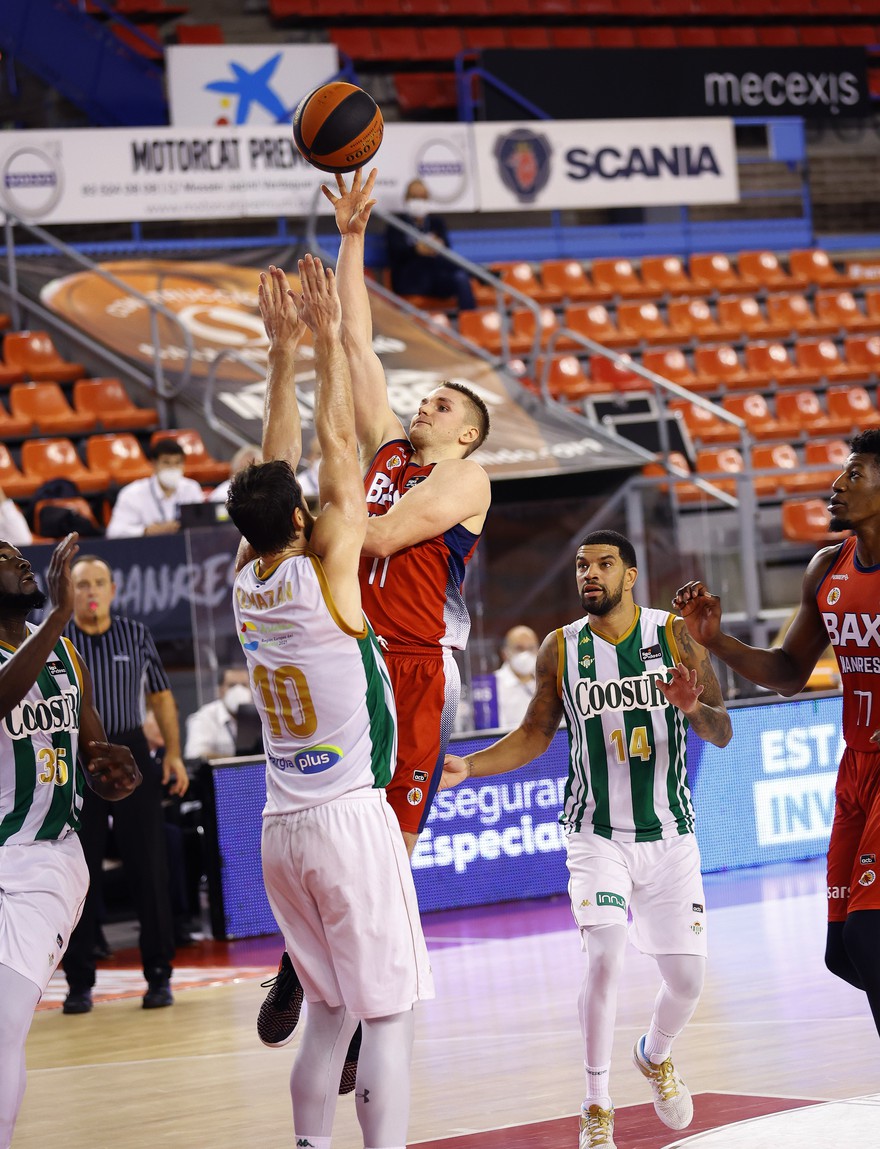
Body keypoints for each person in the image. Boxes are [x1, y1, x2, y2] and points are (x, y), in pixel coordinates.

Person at [256, 166, 491, 1054]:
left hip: (414, 663)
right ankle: (304, 966)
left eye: (442, 403)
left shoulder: (467, 478)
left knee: (391, 840)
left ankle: (361, 1007)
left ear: (465, 431)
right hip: (348, 650)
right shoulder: (392, 448)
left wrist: (326, 523)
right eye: (423, 397)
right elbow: (357, 342)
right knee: (324, 821)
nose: (424, 402)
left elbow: (381, 540)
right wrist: (354, 236)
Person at [226, 255, 433, 1149]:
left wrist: (279, 354)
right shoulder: (328, 575)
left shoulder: (244, 577)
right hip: (350, 817)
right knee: (385, 1018)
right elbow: (338, 448)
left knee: (327, 1013)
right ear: (304, 523)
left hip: (280, 826)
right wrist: (321, 347)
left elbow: (278, 465)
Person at [442, 531, 732, 1149]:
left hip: (671, 834)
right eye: (581, 565)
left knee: (687, 982)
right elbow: (534, 733)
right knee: (604, 956)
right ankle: (596, 1103)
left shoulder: (673, 634)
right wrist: (472, 765)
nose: (590, 574)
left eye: (604, 565)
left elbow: (723, 729)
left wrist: (690, 708)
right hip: (594, 831)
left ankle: (654, 1055)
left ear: (630, 575)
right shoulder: (560, 648)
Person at [673, 427, 880, 1039]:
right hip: (857, 767)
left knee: (871, 935)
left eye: (856, 476)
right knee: (843, 949)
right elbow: (788, 672)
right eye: (840, 474)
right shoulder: (827, 568)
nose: (836, 486)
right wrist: (716, 642)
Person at [0, 533, 140, 1149]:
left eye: (18, 553)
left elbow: (93, 752)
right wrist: (57, 616)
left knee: (2, 1025)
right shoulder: (50, 638)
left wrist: (111, 769)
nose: (20, 560)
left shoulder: (65, 656)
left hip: (43, 864)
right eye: (3, 558)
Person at [60, 554, 189, 1013]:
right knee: (78, 874)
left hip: (131, 751)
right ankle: (78, 981)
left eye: (99, 582)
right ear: (69, 592)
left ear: (113, 589)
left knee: (149, 868)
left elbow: (160, 695)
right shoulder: (57, 640)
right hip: (79, 759)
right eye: (81, 584)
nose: (91, 591)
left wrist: (172, 753)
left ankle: (159, 975)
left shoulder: (136, 635)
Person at [386, 177, 477, 311]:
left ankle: (470, 324)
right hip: (411, 279)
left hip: (436, 277)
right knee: (457, 271)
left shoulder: (436, 223)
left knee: (460, 277)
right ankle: (479, 272)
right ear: (406, 199)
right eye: (414, 197)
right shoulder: (396, 224)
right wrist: (416, 250)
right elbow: (394, 254)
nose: (419, 201)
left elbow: (447, 250)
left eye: (423, 197)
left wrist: (437, 247)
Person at [105, 437, 204, 538]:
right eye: (166, 462)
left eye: (177, 463)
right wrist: (145, 531)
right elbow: (114, 532)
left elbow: (203, 524)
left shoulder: (192, 488)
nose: (173, 468)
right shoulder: (132, 493)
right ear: (154, 464)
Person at [184, 666, 252, 761]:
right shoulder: (204, 718)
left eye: (244, 685)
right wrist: (236, 761)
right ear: (220, 690)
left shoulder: (259, 715)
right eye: (232, 685)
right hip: (218, 775)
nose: (238, 690)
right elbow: (194, 755)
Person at [493, 624, 540, 728]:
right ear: (504, 653)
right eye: (519, 648)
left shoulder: (547, 681)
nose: (526, 654)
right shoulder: (494, 686)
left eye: (531, 648)